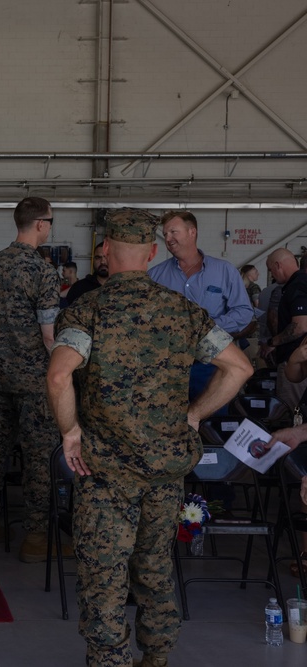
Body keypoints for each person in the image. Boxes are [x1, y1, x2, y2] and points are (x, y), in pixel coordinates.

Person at [47, 208, 252, 667]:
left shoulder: (87, 311)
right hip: (164, 470)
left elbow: (60, 376)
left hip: (104, 472)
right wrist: (194, 415)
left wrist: (70, 432)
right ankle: (156, 657)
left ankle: (111, 661)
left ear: (104, 250)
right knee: (155, 568)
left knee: (105, 575)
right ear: (153, 253)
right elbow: (240, 367)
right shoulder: (182, 311)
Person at [0, 196, 62, 562]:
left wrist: (7, 331)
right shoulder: (42, 271)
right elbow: (50, 335)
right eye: (50, 221)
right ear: (40, 224)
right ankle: (36, 538)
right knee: (39, 455)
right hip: (34, 377)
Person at [148, 210, 254, 399]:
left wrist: (207, 328)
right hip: (168, 366)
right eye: (165, 234)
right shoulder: (155, 276)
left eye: (174, 232)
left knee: (213, 421)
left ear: (192, 232)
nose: (168, 238)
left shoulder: (224, 271)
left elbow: (244, 312)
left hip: (213, 365)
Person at [260, 249, 307, 408]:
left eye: (270, 269)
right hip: (298, 360)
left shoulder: (297, 286)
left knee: (294, 412)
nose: (271, 274)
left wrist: (273, 342)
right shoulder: (299, 284)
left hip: (296, 363)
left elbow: (300, 326)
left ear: (278, 265)